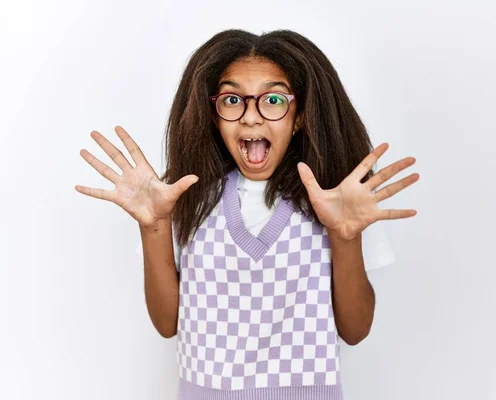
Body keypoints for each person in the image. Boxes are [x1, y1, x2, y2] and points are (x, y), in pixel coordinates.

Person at [75, 29, 419, 400]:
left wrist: (345, 236)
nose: (251, 118)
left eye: (273, 99)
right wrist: (154, 225)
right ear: (213, 114)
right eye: (232, 99)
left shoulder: (343, 199)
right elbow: (167, 323)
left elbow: (355, 329)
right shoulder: (183, 196)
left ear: (299, 114)